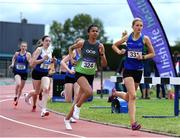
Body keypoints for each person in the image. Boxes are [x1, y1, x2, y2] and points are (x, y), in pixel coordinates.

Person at [111, 18, 155, 130]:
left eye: (141, 25)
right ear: (133, 26)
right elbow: (114, 45)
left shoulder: (145, 39)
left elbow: (152, 53)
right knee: (134, 96)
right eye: (137, 25)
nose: (139, 27)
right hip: (128, 70)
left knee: (129, 97)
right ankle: (133, 123)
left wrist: (143, 57)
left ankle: (115, 93)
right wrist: (119, 51)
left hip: (138, 71)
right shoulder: (127, 37)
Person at [64, 24, 107, 130]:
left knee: (78, 98)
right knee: (89, 92)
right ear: (88, 33)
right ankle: (78, 108)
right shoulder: (83, 43)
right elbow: (70, 48)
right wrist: (71, 59)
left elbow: (104, 64)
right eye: (93, 31)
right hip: (80, 72)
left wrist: (101, 54)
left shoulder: (100, 46)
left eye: (97, 31)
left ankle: (66, 119)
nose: (95, 33)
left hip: (90, 74)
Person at [24, 35, 53, 117]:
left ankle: (43, 110)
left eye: (49, 41)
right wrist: (43, 59)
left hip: (45, 73)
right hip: (36, 72)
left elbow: (48, 62)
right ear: (43, 42)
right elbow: (32, 63)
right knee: (37, 92)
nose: (48, 42)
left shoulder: (50, 50)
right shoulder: (39, 49)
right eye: (46, 41)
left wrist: (51, 61)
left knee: (46, 89)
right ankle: (28, 95)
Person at [10, 41, 31, 107]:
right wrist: (13, 64)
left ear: (26, 47)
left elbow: (30, 63)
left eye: (25, 46)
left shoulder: (28, 54)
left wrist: (28, 60)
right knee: (18, 84)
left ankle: (17, 100)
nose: (23, 47)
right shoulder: (17, 53)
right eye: (22, 46)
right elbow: (13, 58)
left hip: (24, 73)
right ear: (20, 47)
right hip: (17, 72)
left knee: (21, 88)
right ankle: (15, 95)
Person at [61, 38, 82, 103]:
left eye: (82, 44)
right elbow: (62, 62)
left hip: (78, 77)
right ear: (76, 45)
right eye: (79, 44)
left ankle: (75, 112)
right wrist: (69, 70)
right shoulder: (73, 53)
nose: (81, 46)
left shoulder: (85, 54)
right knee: (68, 100)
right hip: (69, 76)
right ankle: (65, 92)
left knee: (76, 96)